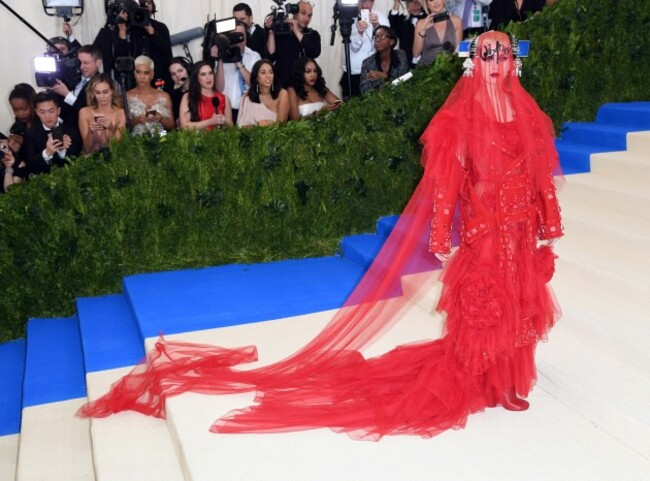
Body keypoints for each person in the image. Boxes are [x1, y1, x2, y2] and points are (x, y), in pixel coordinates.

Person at [78, 31, 564, 442]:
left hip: (519, 229)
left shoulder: (527, 114)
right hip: (483, 228)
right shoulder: (459, 120)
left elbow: (542, 175)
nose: (497, 64)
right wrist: (439, 233)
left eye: (504, 56)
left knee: (521, 299)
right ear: (475, 64)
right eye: (488, 56)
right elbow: (447, 183)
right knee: (486, 303)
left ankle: (508, 376)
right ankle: (484, 377)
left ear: (513, 63)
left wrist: (549, 222)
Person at [94, 0, 172, 91]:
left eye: (148, 4)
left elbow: (166, 50)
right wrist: (122, 29)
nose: (145, 7)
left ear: (153, 7)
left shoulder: (160, 27)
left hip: (157, 78)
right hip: (131, 81)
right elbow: (120, 53)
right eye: (141, 5)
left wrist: (150, 29)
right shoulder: (127, 27)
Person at [211, 20, 261, 124]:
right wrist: (220, 59)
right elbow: (219, 88)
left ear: (246, 38)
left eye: (240, 36)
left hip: (249, 109)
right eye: (233, 37)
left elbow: (256, 85)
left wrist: (238, 62)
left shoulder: (254, 56)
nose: (237, 41)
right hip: (228, 110)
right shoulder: (222, 57)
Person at [265, 0, 321, 89]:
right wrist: (271, 30)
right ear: (294, 13)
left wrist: (296, 30)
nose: (306, 18)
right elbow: (270, 57)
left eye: (309, 15)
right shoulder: (281, 32)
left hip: (305, 85)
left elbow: (315, 52)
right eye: (303, 13)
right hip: (283, 85)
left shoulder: (312, 34)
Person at [23, 91, 82, 175]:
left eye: (51, 111)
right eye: (42, 112)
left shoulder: (72, 132)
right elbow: (30, 165)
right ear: (36, 112)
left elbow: (76, 162)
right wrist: (47, 153)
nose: (47, 116)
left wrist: (62, 151)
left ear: (58, 110)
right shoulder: (30, 134)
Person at [340, 0, 390, 98]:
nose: (364, 5)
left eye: (367, 2)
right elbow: (354, 47)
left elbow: (387, 45)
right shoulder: (349, 18)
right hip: (353, 73)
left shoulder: (381, 18)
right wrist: (359, 33)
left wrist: (377, 26)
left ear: (372, 2)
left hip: (373, 72)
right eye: (361, 2)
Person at [48, 45, 103, 130]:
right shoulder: (72, 76)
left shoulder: (102, 83)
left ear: (98, 63)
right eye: (79, 62)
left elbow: (89, 109)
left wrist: (67, 94)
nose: (81, 67)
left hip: (84, 131)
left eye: (86, 63)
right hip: (63, 128)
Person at [78, 74, 126, 154]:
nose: (102, 96)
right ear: (93, 93)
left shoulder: (120, 113)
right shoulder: (84, 112)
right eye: (98, 93)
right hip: (91, 160)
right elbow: (87, 149)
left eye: (105, 92)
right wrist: (91, 132)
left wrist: (111, 128)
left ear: (112, 91)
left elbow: (118, 147)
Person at [127, 55, 174, 135]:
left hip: (162, 141)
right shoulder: (127, 96)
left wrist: (160, 119)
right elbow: (121, 126)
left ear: (152, 74)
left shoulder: (164, 96)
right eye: (138, 72)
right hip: (136, 143)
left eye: (146, 73)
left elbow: (172, 125)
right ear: (134, 73)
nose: (142, 77)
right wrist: (137, 120)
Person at [179, 61, 233, 131]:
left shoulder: (224, 98)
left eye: (210, 73)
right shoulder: (188, 97)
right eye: (203, 74)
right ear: (197, 78)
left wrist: (223, 121)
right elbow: (184, 126)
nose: (208, 77)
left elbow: (231, 127)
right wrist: (210, 121)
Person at [237, 59, 289, 127]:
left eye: (271, 72)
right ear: (256, 78)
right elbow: (243, 127)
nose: (268, 76)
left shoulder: (282, 94)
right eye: (263, 73)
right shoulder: (248, 98)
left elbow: (281, 122)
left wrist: (263, 124)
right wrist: (259, 125)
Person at [359, 26, 410, 94]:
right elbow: (364, 90)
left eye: (382, 37)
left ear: (391, 42)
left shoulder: (400, 55)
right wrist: (380, 88)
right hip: (377, 101)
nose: (377, 40)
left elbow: (403, 80)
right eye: (375, 37)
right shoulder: (367, 63)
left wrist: (384, 76)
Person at [413, 0, 463, 67]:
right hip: (425, 70)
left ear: (444, 1)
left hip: (450, 69)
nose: (435, 2)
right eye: (431, 0)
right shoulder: (421, 23)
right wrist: (423, 30)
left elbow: (459, 51)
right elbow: (416, 54)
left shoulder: (456, 21)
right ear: (427, 4)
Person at [388, 0, 427, 66]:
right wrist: (396, 3)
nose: (415, 2)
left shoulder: (429, 19)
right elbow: (392, 26)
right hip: (407, 60)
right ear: (407, 6)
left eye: (417, 0)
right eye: (411, 1)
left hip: (427, 58)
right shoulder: (402, 20)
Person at [7, 84, 39, 158]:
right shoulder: (15, 129)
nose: (20, 114)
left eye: (24, 109)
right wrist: (15, 152)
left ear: (32, 104)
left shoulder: (44, 125)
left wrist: (26, 143)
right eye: (15, 109)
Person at [168, 57, 192, 125]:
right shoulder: (173, 95)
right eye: (173, 74)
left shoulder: (200, 89)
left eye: (180, 71)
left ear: (188, 69)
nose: (177, 75)